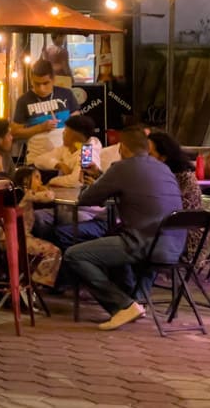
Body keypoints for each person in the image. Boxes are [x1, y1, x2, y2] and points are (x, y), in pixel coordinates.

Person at [64, 126, 185, 331]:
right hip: (173, 246)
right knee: (113, 242)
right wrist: (104, 177)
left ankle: (123, 305)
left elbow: (86, 199)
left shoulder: (121, 167)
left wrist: (94, 181)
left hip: (143, 245)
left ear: (123, 148)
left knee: (74, 255)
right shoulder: (163, 168)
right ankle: (135, 300)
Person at [11, 59, 80, 166]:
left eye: (45, 83)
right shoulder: (24, 101)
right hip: (37, 160)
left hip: (66, 159)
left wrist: (84, 165)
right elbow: (15, 132)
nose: (41, 89)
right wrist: (40, 128)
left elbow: (78, 128)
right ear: (31, 80)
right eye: (36, 84)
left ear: (53, 79)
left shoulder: (66, 95)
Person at [148, 130, 205, 258]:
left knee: (129, 243)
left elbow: (165, 212)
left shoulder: (177, 178)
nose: (144, 158)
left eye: (149, 154)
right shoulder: (164, 174)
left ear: (163, 157)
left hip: (182, 239)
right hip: (168, 232)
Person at [11, 166, 62, 288]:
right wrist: (46, 190)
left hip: (11, 237)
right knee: (53, 251)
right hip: (18, 240)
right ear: (25, 180)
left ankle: (29, 282)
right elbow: (49, 196)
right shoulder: (26, 194)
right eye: (37, 178)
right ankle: (33, 285)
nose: (40, 182)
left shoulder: (16, 194)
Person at [33, 114, 102, 189]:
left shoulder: (87, 153)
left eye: (65, 131)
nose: (62, 133)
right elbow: (38, 160)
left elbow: (77, 181)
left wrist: (51, 182)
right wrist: (59, 164)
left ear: (74, 136)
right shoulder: (66, 148)